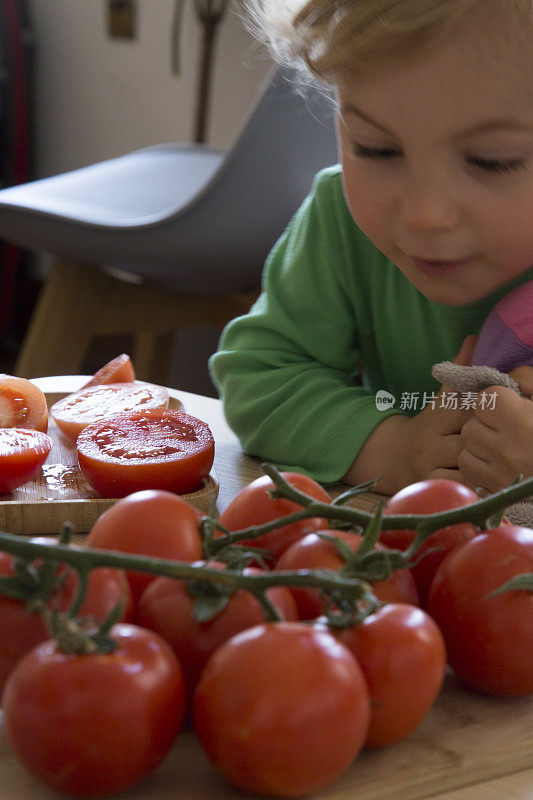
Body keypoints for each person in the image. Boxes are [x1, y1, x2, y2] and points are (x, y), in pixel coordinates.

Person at [209, 0, 533, 495]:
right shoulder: (341, 223)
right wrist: (395, 449)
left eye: (494, 161)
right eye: (375, 147)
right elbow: (261, 376)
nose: (426, 215)